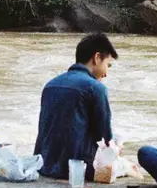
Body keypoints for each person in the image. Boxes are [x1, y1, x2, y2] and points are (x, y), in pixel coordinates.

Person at [34, 33, 118, 179]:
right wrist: (116, 148)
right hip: (76, 170)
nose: (106, 74)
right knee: (120, 163)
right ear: (97, 58)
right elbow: (105, 138)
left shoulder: (50, 85)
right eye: (107, 65)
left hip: (44, 166)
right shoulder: (96, 88)